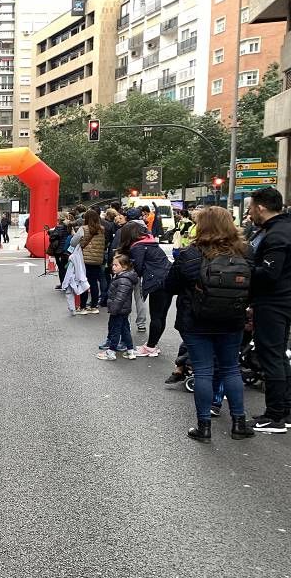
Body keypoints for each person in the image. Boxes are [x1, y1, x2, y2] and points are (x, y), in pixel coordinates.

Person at [164, 206, 255, 441]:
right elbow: (255, 286)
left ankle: (204, 427)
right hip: (232, 320)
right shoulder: (245, 252)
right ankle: (239, 423)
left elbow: (170, 286)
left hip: (196, 321)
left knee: (203, 371)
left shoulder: (190, 254)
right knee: (230, 368)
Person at [246, 186, 291, 432]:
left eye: (251, 207)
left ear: (261, 207)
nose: (249, 212)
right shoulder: (280, 229)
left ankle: (274, 416)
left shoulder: (276, 235)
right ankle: (284, 410)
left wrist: (243, 269)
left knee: (271, 356)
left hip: (273, 302)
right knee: (279, 355)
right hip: (280, 300)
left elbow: (270, 273)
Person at [121, 221, 172, 357]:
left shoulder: (138, 247)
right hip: (169, 280)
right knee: (161, 316)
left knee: (156, 316)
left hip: (157, 283)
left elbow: (138, 268)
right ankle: (153, 345)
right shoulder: (151, 243)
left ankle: (150, 347)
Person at [97, 254, 138, 361]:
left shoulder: (123, 280)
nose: (113, 267)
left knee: (116, 330)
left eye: (116, 265)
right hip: (123, 310)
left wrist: (113, 310)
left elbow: (120, 297)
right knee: (125, 330)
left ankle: (111, 352)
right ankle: (130, 350)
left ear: (124, 267)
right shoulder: (123, 277)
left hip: (119, 310)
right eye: (113, 265)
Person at [76, 209, 106, 314]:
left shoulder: (83, 228)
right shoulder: (102, 229)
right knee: (93, 283)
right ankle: (94, 306)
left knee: (83, 282)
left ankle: (83, 307)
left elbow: (73, 242)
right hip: (97, 260)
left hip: (85, 260)